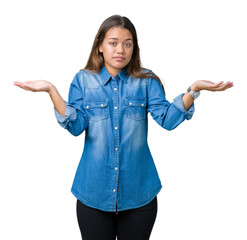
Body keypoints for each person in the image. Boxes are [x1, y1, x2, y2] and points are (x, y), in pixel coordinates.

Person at [14, 15, 233, 240]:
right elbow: (76, 126)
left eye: (128, 44)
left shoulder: (147, 80)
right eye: (113, 43)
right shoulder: (83, 80)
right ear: (100, 46)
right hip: (93, 194)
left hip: (139, 195)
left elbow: (168, 119)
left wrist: (194, 89)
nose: (121, 50)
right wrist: (51, 90)